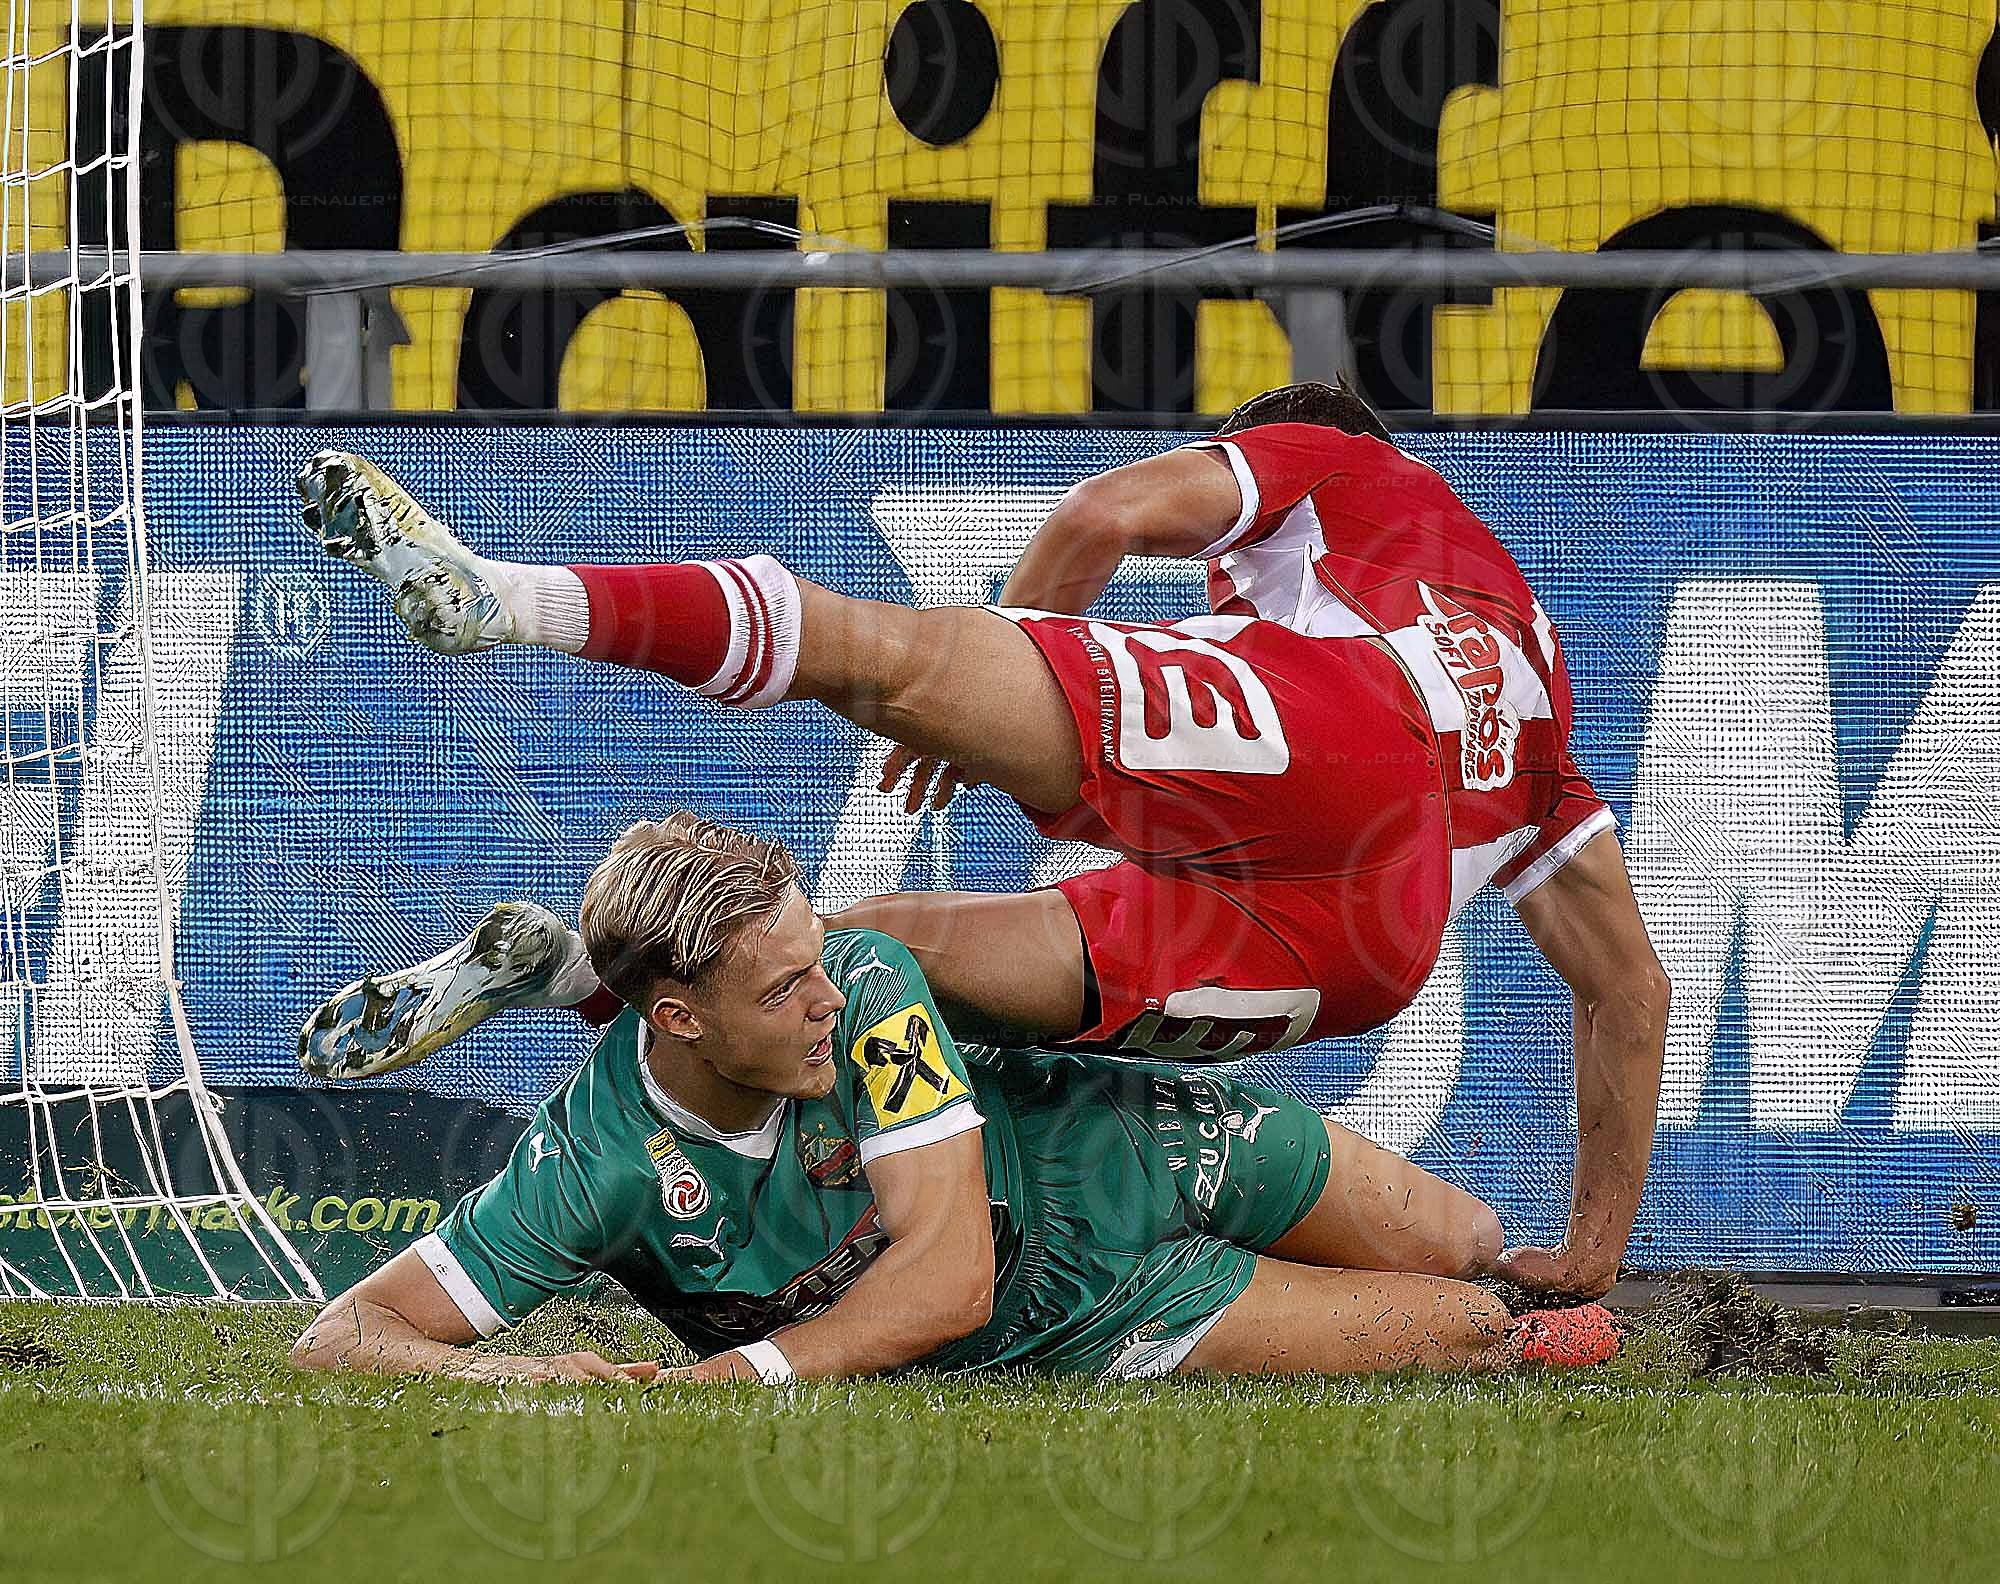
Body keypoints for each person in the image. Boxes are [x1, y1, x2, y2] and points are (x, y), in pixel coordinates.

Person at [293, 380, 1667, 1300]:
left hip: (1343, 742)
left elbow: (1101, 515)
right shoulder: (1537, 718)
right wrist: (1594, 1246)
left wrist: (987, 689)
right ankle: (573, 974)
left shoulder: (1343, 459)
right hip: (1366, 946)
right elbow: (1627, 989)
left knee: (888, 660)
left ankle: (505, 600)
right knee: (879, 965)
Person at [289, 813, 1618, 1384]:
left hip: (1125, 1146)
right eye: (784, 988)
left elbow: (943, 1280)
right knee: (1479, 1333)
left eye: (816, 957)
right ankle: (580, 972)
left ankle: (574, 970)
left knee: (1470, 1241)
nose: (828, 998)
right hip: (1091, 1316)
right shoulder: (594, 1167)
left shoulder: (863, 985)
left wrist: (744, 1378)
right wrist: (527, 1382)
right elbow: (344, 1338)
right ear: (677, 1019)